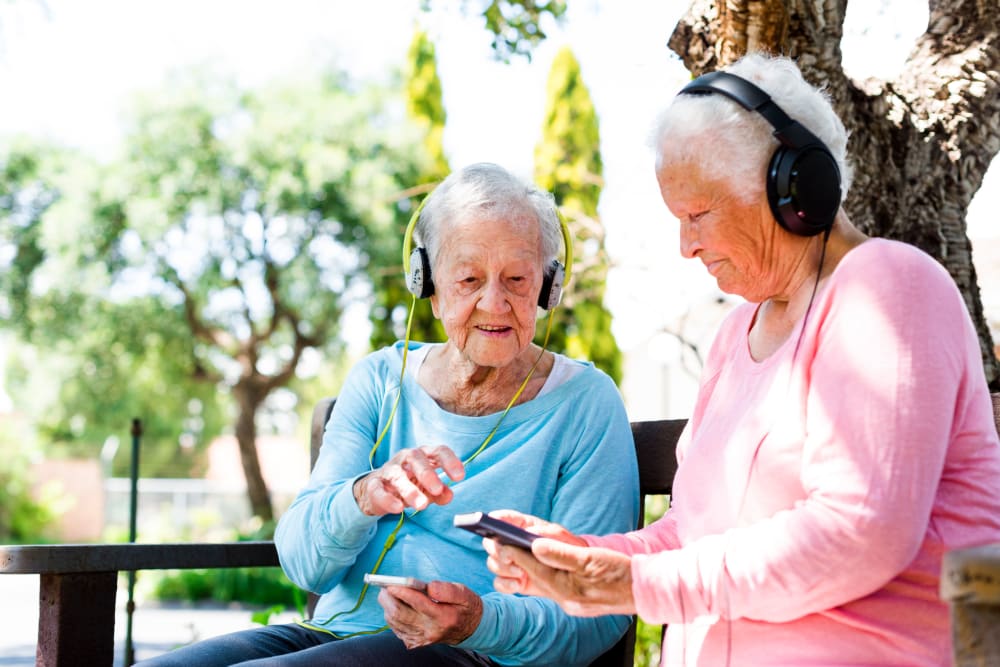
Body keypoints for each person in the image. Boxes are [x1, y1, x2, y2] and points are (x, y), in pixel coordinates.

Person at [484, 54, 1000, 666]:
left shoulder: (888, 285)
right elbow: (691, 532)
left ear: (792, 188)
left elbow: (859, 533)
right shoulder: (735, 336)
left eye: (697, 214)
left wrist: (631, 585)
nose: (685, 245)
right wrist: (591, 558)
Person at [138, 162, 639, 667]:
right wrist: (364, 496)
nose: (495, 301)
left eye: (517, 279)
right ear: (428, 284)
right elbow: (303, 563)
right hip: (331, 637)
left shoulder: (585, 404)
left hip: (472, 654)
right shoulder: (380, 380)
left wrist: (478, 622)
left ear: (548, 287)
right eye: (468, 278)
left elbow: (596, 610)